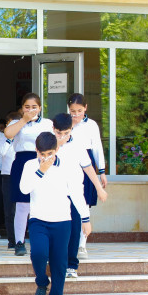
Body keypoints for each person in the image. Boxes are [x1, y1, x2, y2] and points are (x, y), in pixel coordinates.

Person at [19, 132, 92, 295]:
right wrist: (41, 170)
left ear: (56, 150)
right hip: (38, 220)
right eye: (42, 154)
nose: (46, 158)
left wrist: (85, 219)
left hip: (62, 221)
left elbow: (77, 193)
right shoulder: (30, 165)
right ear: (37, 151)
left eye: (49, 153)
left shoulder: (68, 166)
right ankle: (42, 283)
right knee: (38, 254)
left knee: (59, 264)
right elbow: (24, 189)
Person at [52, 113, 108, 279]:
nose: (62, 136)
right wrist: (56, 145)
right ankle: (56, 263)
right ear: (53, 129)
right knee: (57, 230)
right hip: (54, 194)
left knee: (74, 229)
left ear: (71, 129)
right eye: (59, 133)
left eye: (66, 133)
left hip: (75, 193)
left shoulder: (77, 145)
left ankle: (71, 265)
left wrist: (99, 188)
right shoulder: (48, 143)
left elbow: (88, 167)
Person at [4, 93, 54, 256]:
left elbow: (55, 143)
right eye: (27, 107)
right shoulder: (17, 123)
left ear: (40, 108)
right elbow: (8, 134)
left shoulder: (47, 123)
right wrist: (24, 120)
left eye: (34, 107)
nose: (31, 110)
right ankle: (19, 242)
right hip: (22, 162)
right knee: (22, 204)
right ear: (22, 108)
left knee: (42, 203)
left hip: (42, 161)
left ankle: (42, 241)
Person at [67, 93, 107, 260]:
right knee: (69, 204)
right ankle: (68, 243)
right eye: (73, 111)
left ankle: (82, 244)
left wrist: (102, 171)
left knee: (84, 204)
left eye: (79, 111)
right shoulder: (65, 123)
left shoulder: (91, 125)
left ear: (85, 108)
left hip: (87, 163)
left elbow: (97, 147)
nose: (76, 114)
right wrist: (71, 125)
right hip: (69, 163)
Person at [0, 109, 20, 250]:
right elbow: (1, 152)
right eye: (9, 124)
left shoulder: (25, 137)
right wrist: (9, 139)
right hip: (7, 175)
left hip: (22, 175)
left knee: (22, 208)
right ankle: (12, 240)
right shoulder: (4, 137)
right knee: (9, 209)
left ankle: (21, 238)